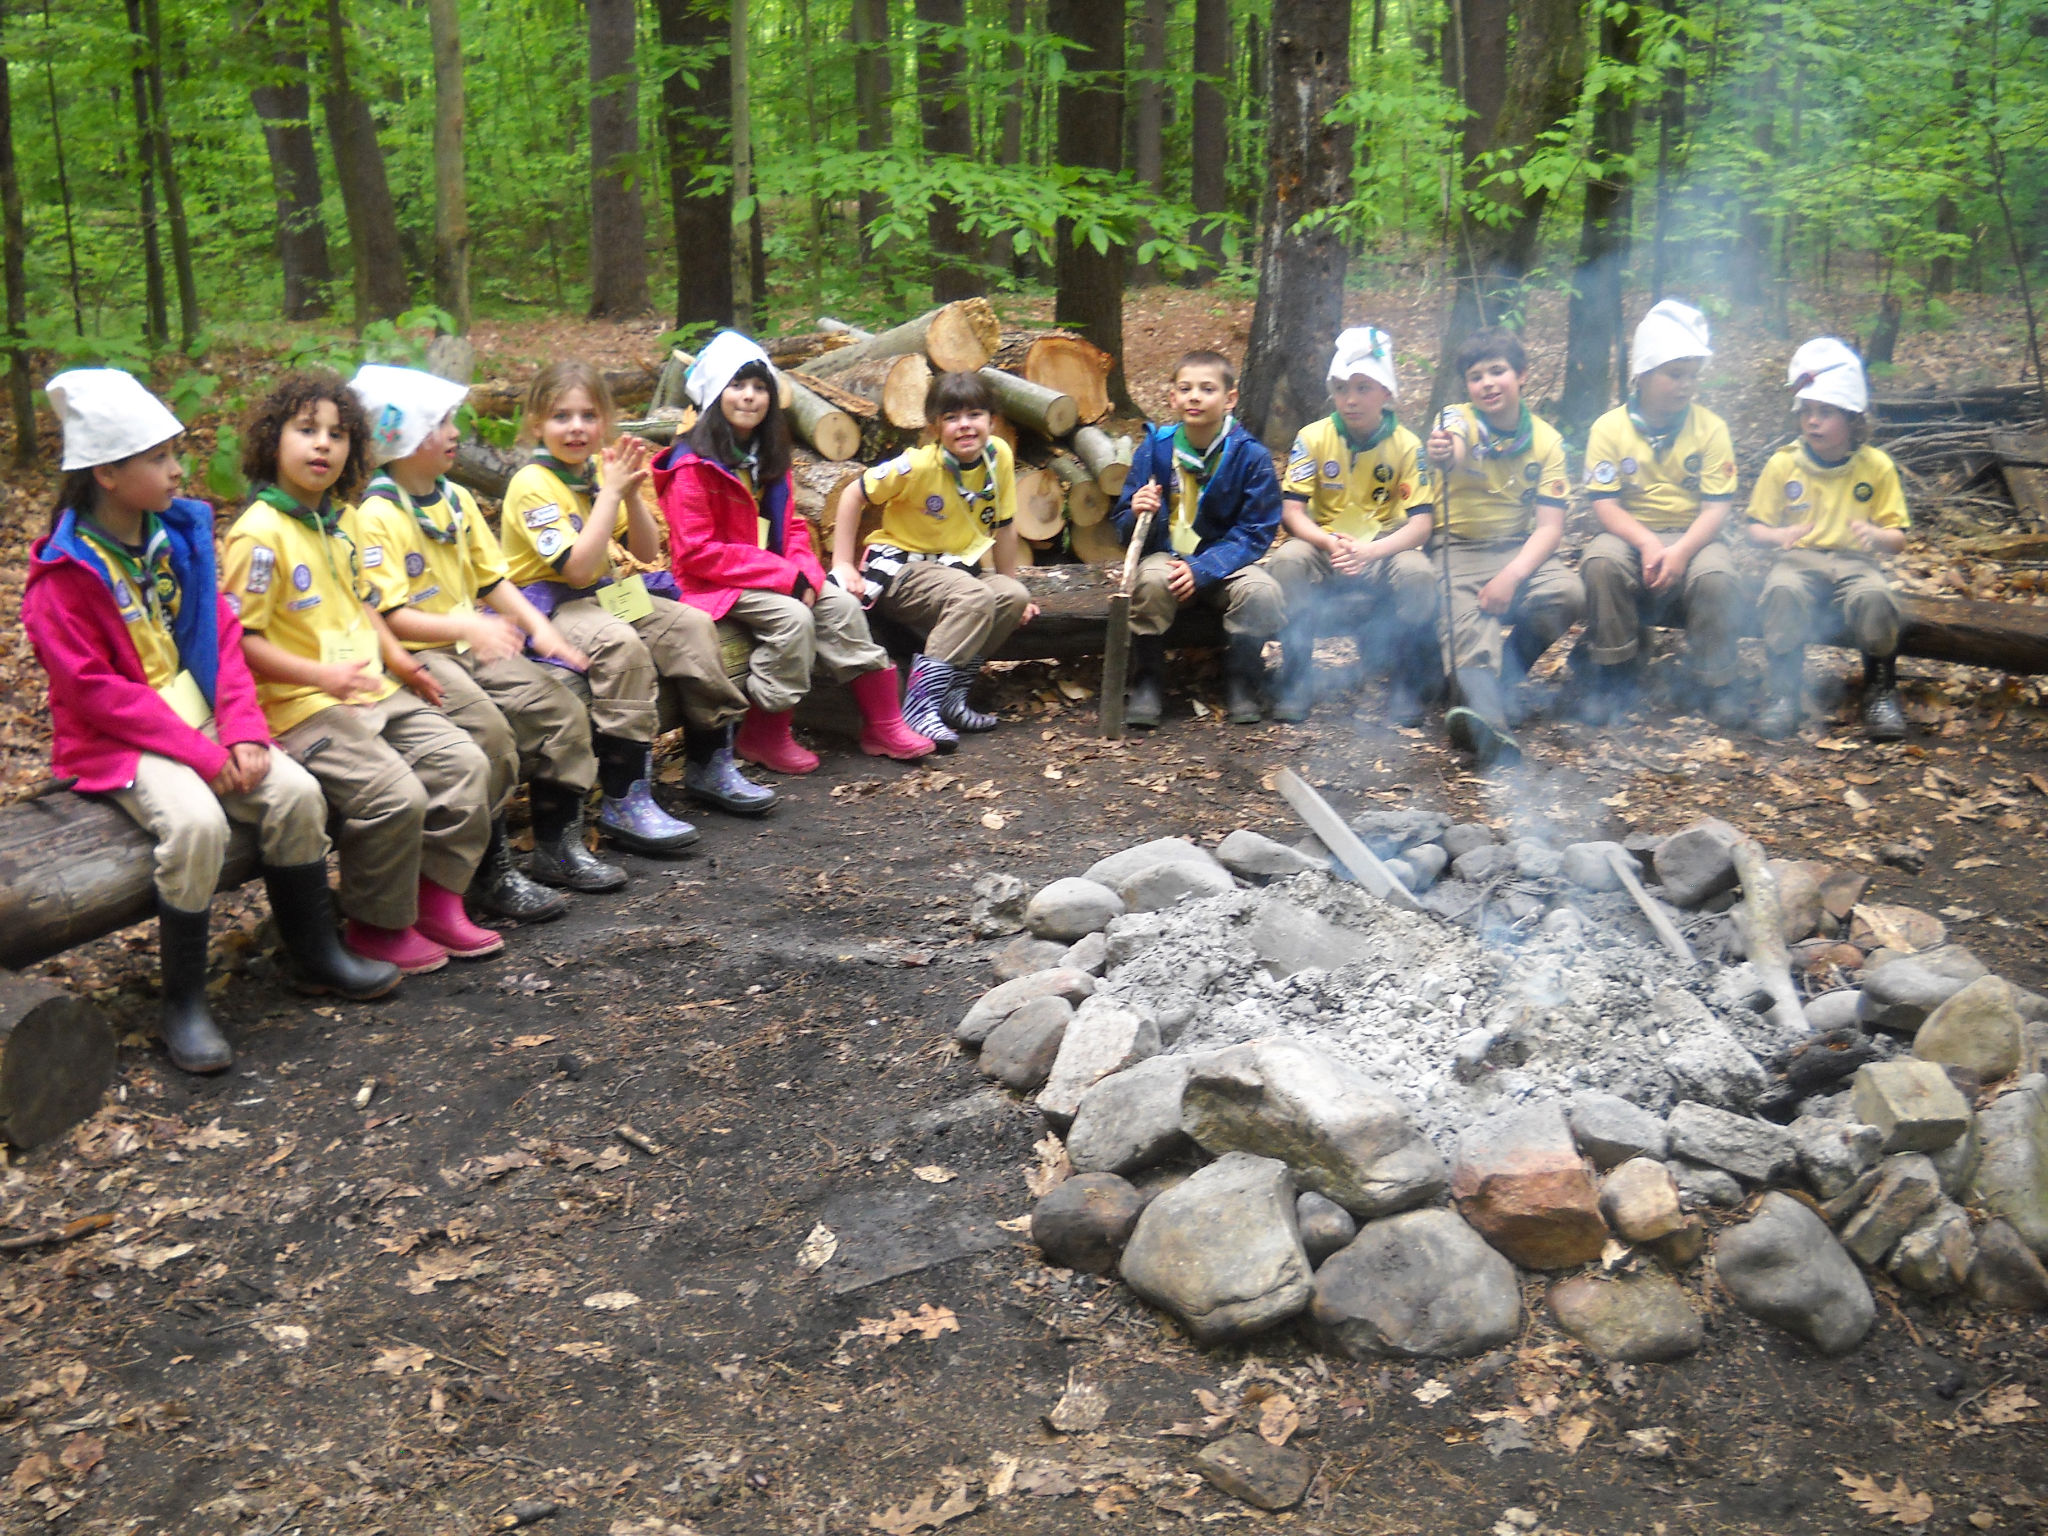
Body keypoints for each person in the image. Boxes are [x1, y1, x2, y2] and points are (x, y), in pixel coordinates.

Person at [22, 370, 398, 1073]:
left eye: (175, 454)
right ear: (107, 471)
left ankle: (313, 951)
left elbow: (223, 642)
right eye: (160, 458)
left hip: (208, 729)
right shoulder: (63, 577)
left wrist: (246, 732)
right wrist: (201, 755)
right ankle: (184, 1004)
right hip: (122, 743)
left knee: (297, 794)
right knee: (196, 824)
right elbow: (97, 693)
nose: (178, 470)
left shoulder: (182, 537)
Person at [222, 369, 501, 976]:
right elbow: (240, 641)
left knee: (464, 764)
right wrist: (321, 678)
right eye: (306, 430)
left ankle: (436, 901)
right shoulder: (259, 536)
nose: (323, 444)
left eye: (339, 434)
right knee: (394, 794)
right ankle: (377, 924)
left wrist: (400, 661)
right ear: (274, 442)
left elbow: (363, 604)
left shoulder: (342, 522)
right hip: (303, 706)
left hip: (373, 689)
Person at [348, 364, 623, 911]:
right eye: (441, 424)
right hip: (421, 654)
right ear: (400, 438)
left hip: (471, 642)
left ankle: (556, 847)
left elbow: (490, 578)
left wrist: (544, 634)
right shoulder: (376, 514)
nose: (454, 434)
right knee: (491, 736)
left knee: (560, 710)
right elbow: (392, 616)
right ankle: (488, 871)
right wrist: (469, 625)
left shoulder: (455, 498)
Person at [498, 361, 765, 840]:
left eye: (587, 416)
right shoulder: (532, 484)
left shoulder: (597, 475)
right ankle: (625, 796)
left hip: (602, 594)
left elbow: (644, 551)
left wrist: (633, 495)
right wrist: (609, 495)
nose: (576, 427)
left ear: (604, 421)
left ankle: (711, 760)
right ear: (538, 425)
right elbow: (576, 568)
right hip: (549, 603)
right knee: (619, 644)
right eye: (561, 417)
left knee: (691, 624)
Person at [654, 331, 932, 768]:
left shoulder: (765, 457)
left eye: (759, 387)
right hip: (713, 585)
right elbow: (698, 554)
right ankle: (764, 733)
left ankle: (884, 723)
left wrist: (805, 570)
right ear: (715, 394)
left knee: (839, 605)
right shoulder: (691, 466)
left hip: (765, 573)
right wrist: (787, 578)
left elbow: (794, 528)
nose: (749, 397)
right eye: (737, 386)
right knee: (793, 617)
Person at [829, 369, 1037, 749]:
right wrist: (842, 562)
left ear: (992, 420)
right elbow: (852, 494)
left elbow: (1005, 525)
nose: (965, 426)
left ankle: (952, 698)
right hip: (901, 569)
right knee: (974, 597)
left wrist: (1011, 580)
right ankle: (921, 705)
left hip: (955, 568)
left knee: (1011, 596)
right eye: (951, 418)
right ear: (934, 427)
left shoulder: (999, 456)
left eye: (975, 415)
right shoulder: (917, 466)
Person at [1577, 300, 1745, 727]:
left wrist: (1682, 551)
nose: (1686, 384)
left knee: (1717, 578)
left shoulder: (1711, 429)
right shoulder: (1608, 429)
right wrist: (1648, 542)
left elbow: (1716, 507)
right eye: (1675, 374)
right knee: (1601, 563)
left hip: (1695, 533)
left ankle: (1713, 680)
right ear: (1644, 374)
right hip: (1631, 531)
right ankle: (1615, 671)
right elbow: (1605, 504)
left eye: (1692, 375)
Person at [1424, 327, 1583, 768]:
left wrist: (1512, 575)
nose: (1488, 383)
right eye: (1476, 376)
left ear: (1522, 375)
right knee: (1468, 628)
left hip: (1517, 547)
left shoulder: (1548, 441)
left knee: (1567, 592)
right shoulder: (1455, 419)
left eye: (1498, 371)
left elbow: (1550, 528)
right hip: (1456, 546)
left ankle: (1503, 680)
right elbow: (1450, 445)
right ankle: (1488, 723)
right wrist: (1443, 451)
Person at [1105, 350, 1284, 727]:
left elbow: (1257, 531)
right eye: (1185, 389)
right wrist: (1136, 510)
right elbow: (1121, 524)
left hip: (1225, 562)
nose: (1194, 397)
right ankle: (1149, 683)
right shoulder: (1157, 448)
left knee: (1261, 592)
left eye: (1207, 389)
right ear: (1172, 397)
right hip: (1165, 556)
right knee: (1151, 582)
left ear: (1229, 399)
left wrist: (1202, 569)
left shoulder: (1250, 456)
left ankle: (1241, 682)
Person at [1270, 326, 1437, 725]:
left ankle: (1404, 680)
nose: (1351, 399)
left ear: (1386, 393)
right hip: (1325, 540)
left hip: (1383, 544)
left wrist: (1373, 550)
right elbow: (1292, 513)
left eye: (1364, 388)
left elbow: (1421, 525)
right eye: (1343, 387)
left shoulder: (1408, 446)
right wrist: (1328, 543)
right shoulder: (1312, 437)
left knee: (1419, 574)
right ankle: (1297, 674)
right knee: (1286, 562)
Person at [1745, 337, 1909, 741]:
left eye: (1825, 413)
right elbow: (1755, 528)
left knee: (1876, 598)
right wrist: (1779, 535)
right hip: (1798, 560)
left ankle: (1880, 691)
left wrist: (1875, 535)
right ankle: (1783, 694)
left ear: (1853, 419)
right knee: (1782, 591)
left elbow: (1898, 538)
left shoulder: (1876, 466)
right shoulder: (1784, 463)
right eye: (1807, 412)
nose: (1812, 421)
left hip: (1855, 562)